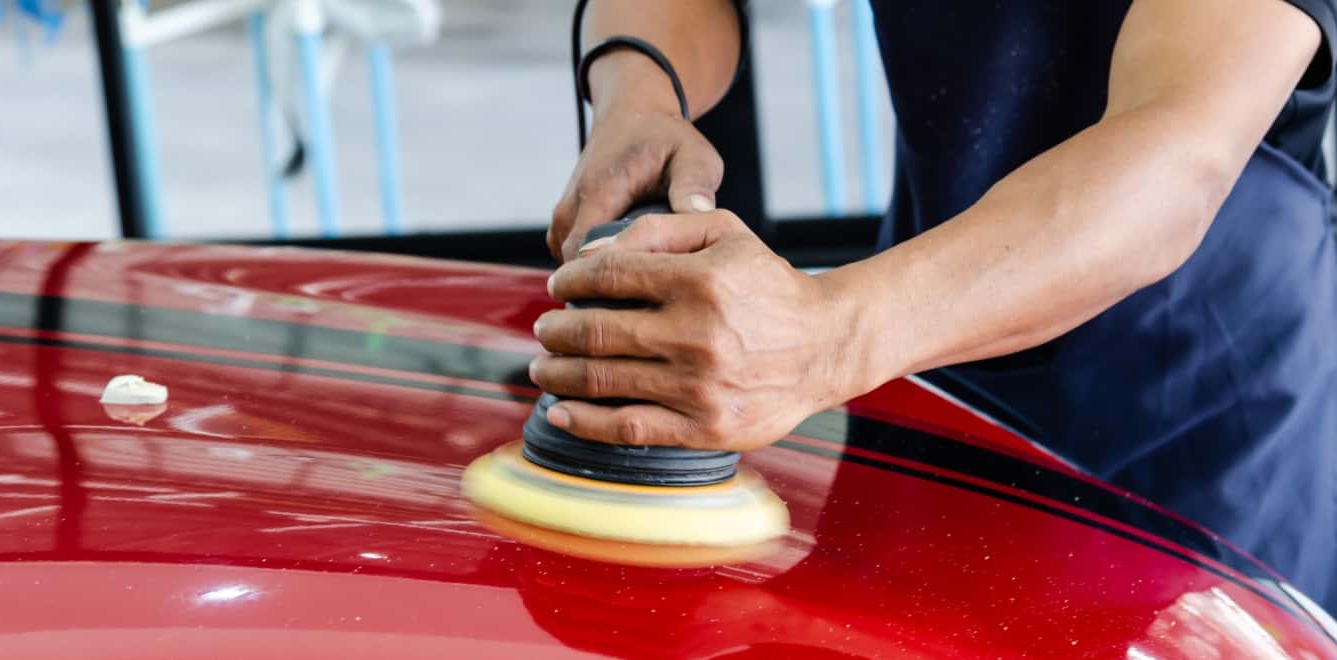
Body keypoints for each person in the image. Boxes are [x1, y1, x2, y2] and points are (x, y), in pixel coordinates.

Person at [529, 0, 1337, 613]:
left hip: (1202, 394)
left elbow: (1178, 151)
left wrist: (828, 338)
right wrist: (642, 97)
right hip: (925, 346)